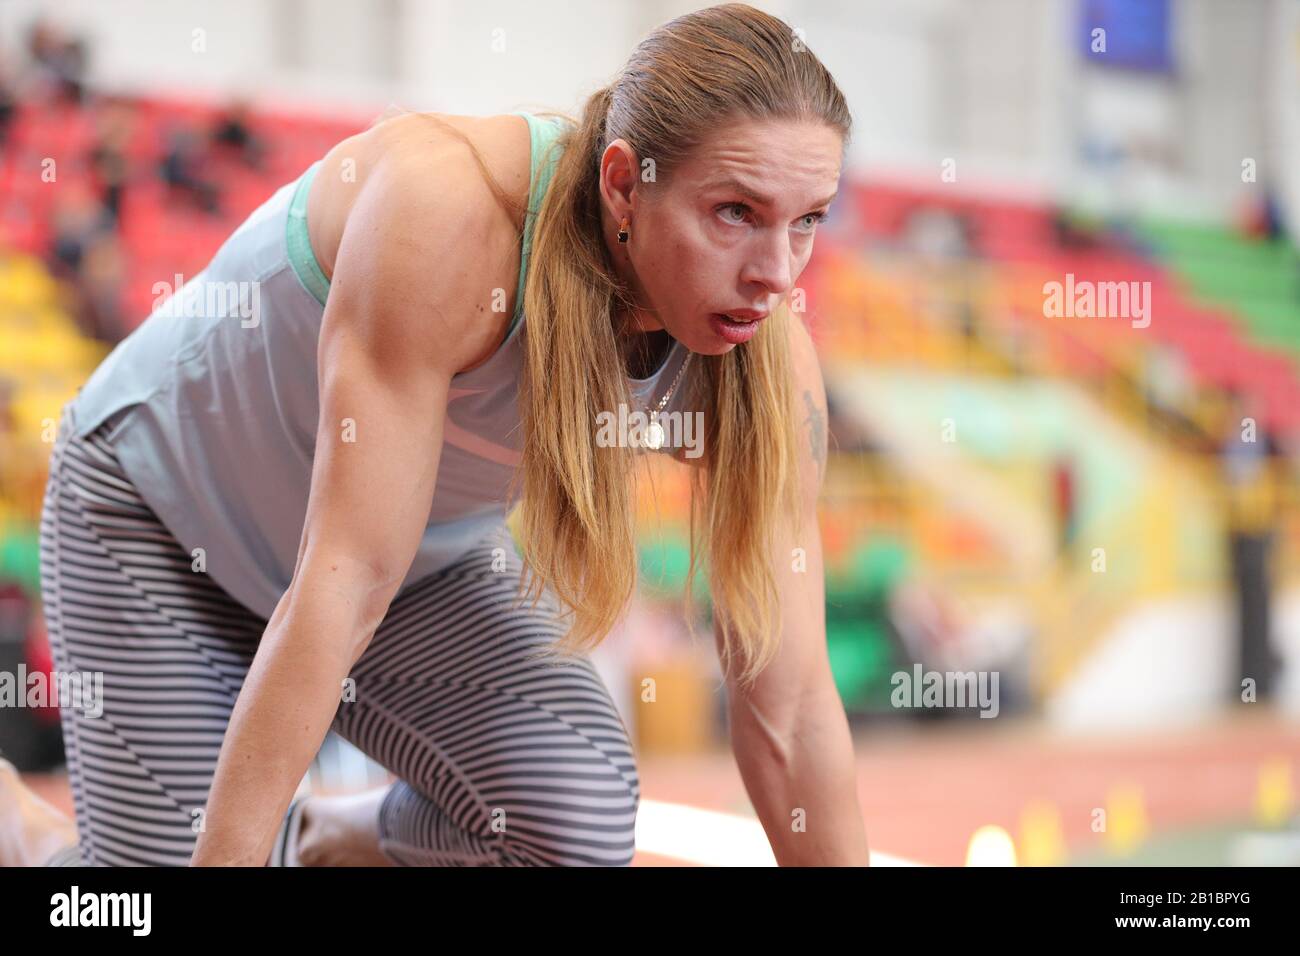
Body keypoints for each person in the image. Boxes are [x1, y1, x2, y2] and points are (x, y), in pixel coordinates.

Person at [7, 3, 866, 867]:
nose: (775, 274)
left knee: (576, 820)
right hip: (156, 517)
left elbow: (788, 706)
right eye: (734, 213)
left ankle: (330, 836)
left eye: (806, 220)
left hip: (411, 566)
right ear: (622, 186)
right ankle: (26, 837)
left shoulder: (767, 362)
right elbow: (343, 582)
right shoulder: (451, 217)